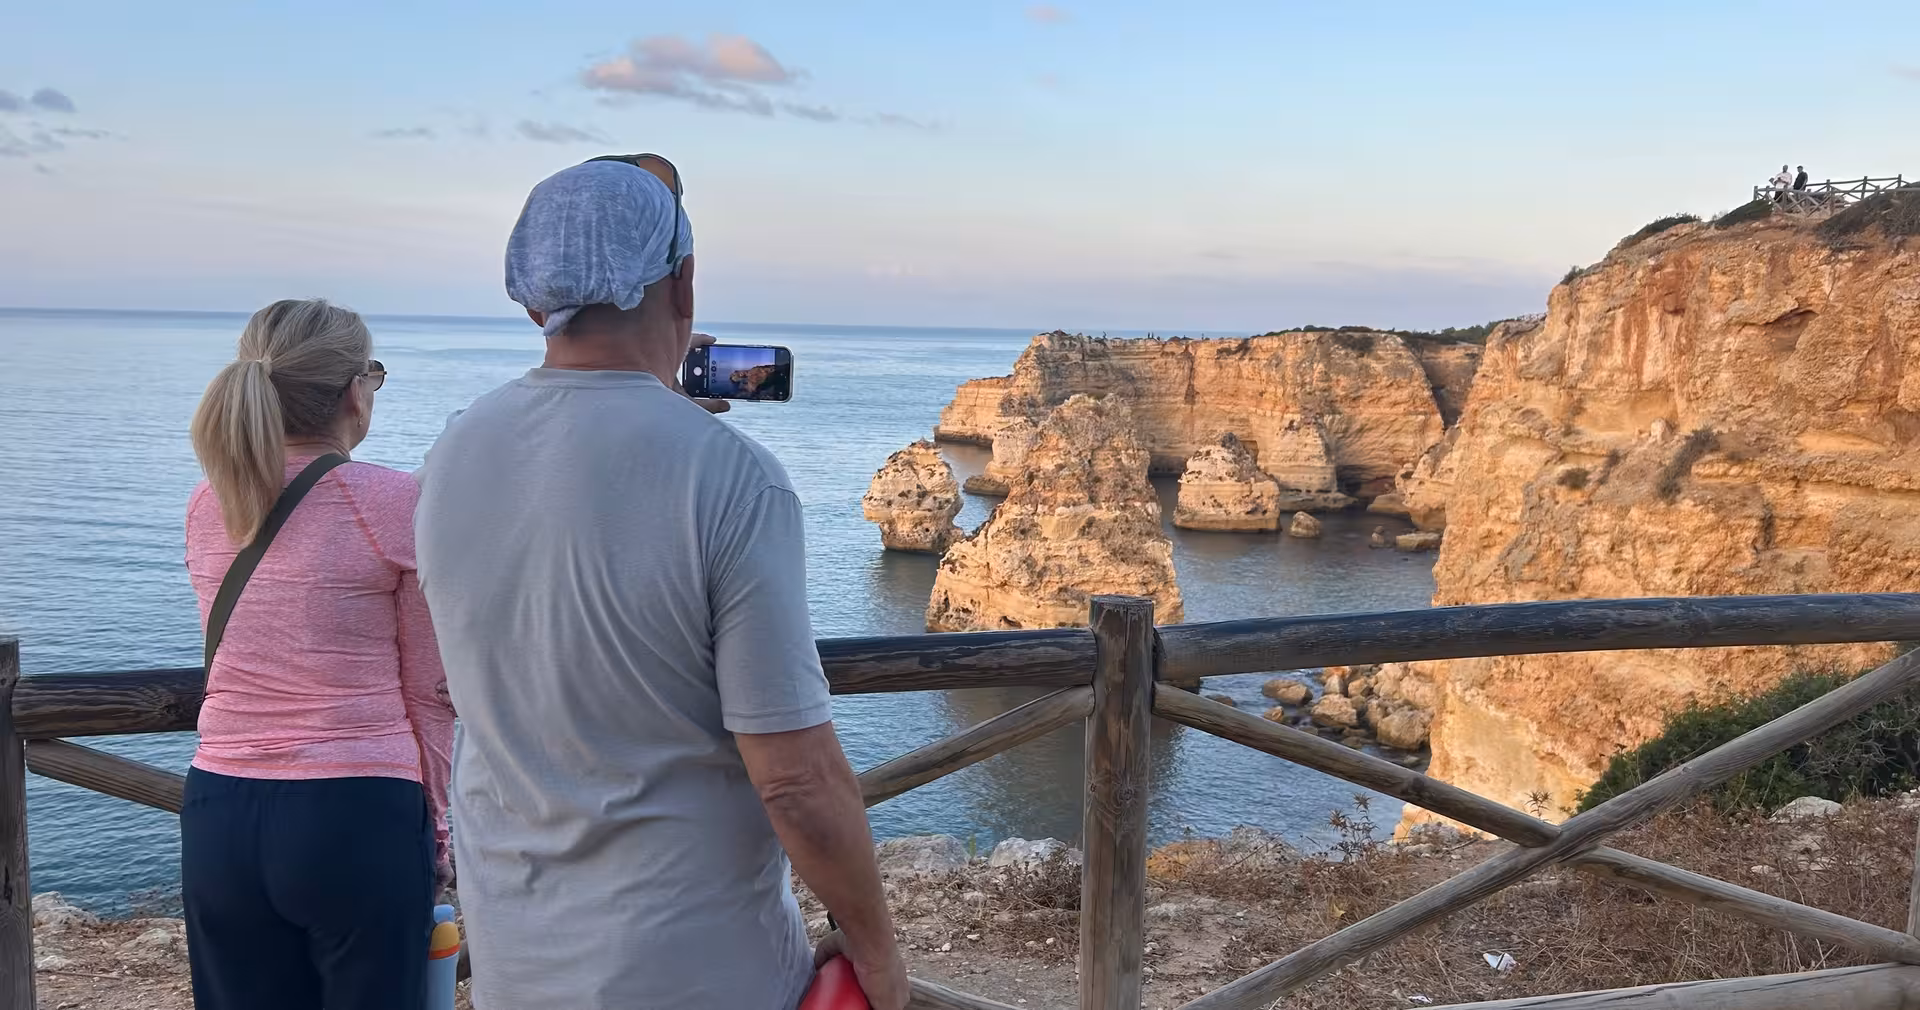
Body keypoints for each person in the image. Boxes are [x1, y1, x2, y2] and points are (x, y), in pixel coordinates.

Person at [414, 156, 909, 1010]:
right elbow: (793, 775)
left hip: (515, 958)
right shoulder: (733, 478)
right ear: (684, 283)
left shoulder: (453, 452)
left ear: (534, 301)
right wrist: (876, 950)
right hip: (696, 966)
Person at [183, 298, 455, 1010]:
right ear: (354, 391)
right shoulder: (397, 504)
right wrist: (443, 826)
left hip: (219, 807)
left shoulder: (208, 504)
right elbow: (430, 689)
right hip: (356, 810)